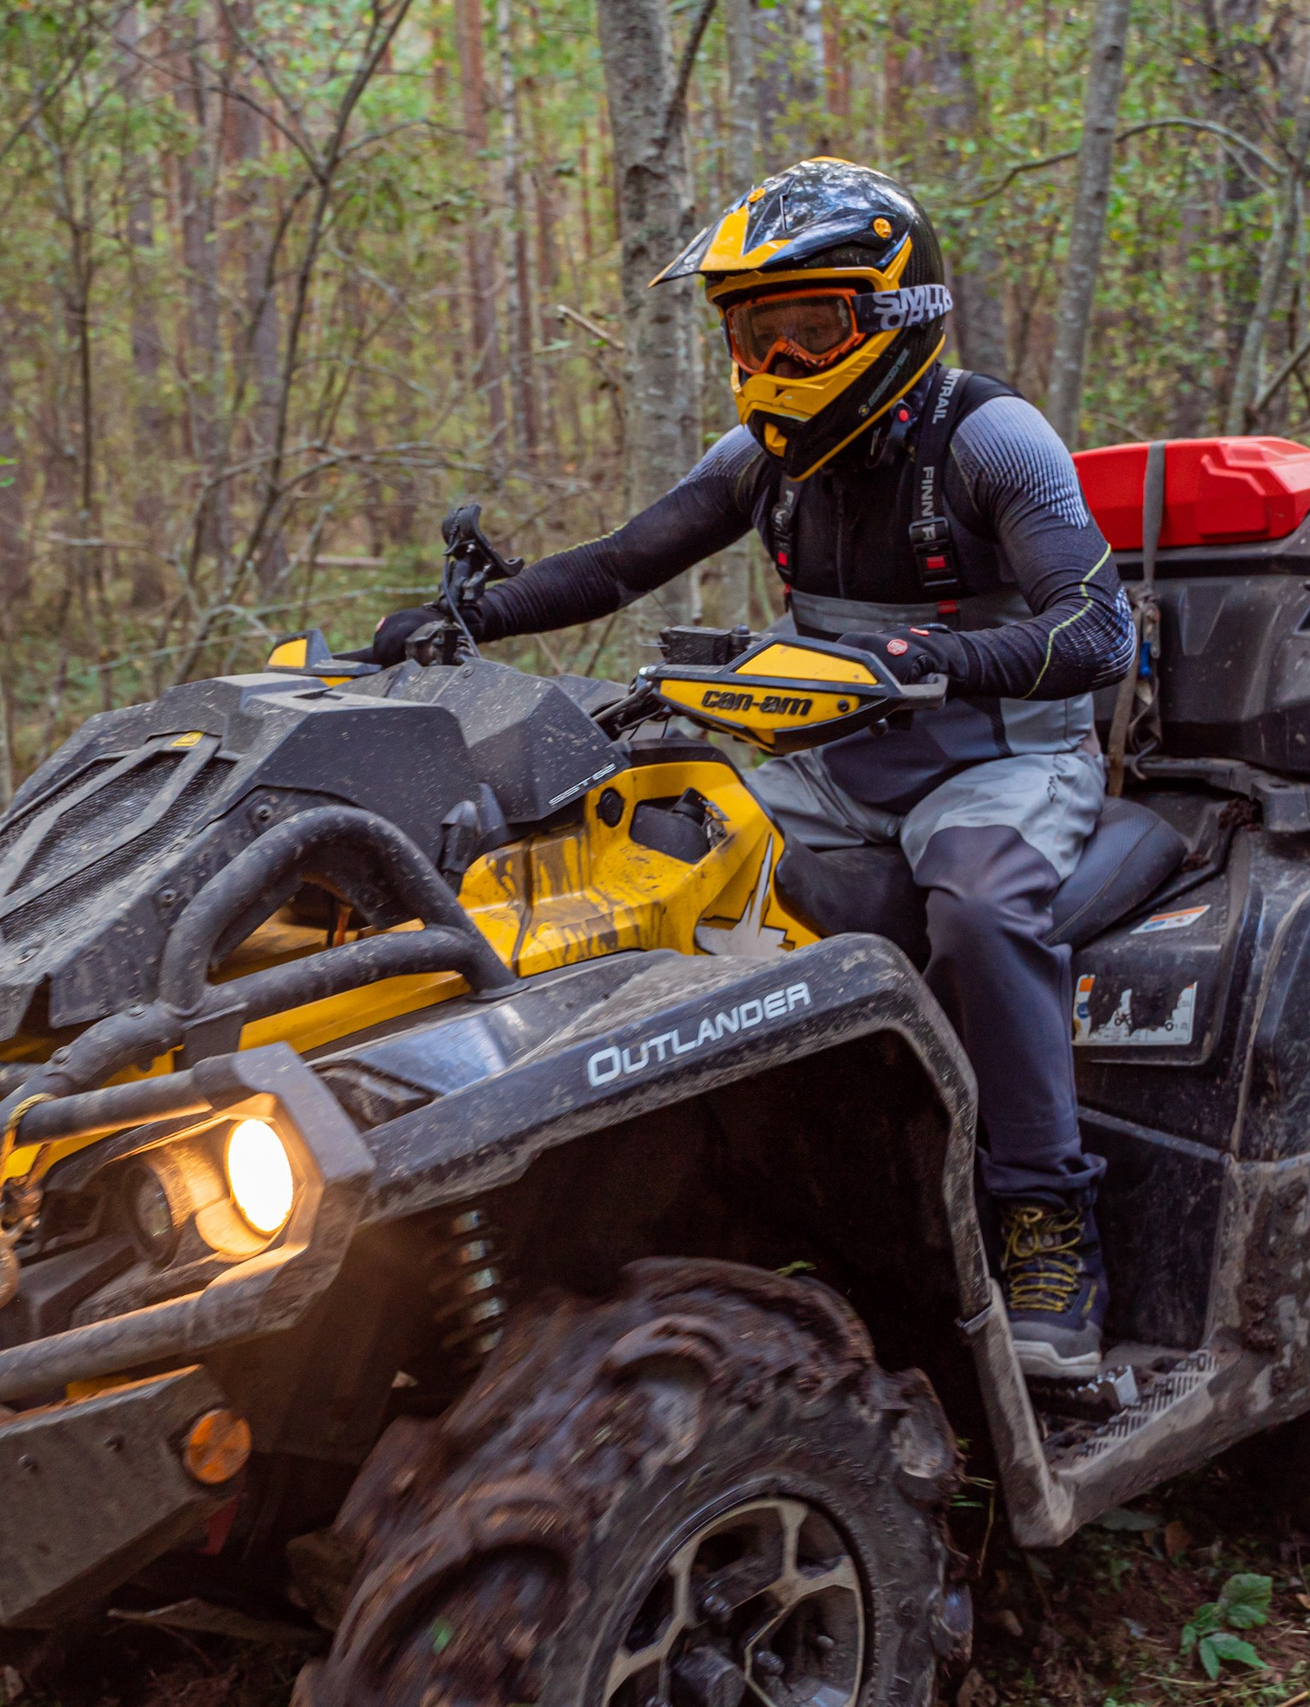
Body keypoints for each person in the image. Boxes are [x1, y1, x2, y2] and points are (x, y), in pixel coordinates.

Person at [367, 158, 1132, 1380]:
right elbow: (621, 563)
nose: (773, 366)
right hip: (826, 766)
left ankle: (1047, 1219)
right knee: (645, 866)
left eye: (805, 330)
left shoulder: (992, 440)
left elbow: (1100, 631)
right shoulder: (762, 458)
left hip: (998, 760)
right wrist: (466, 617)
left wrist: (925, 657)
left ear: (895, 314)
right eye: (752, 335)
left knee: (981, 912)